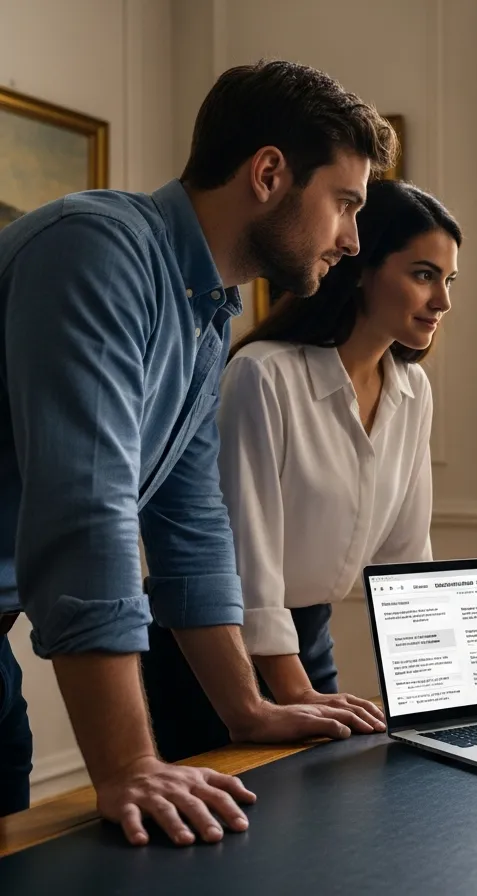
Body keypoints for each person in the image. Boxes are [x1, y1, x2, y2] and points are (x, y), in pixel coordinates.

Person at [0, 60, 398, 846]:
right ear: (269, 173)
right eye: (344, 204)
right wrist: (127, 765)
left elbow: (190, 523)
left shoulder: (206, 313)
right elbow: (87, 513)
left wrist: (246, 707)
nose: (351, 240)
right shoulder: (97, 252)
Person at [141, 179, 460, 760]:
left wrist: (437, 701)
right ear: (361, 268)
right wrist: (291, 692)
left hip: (306, 641)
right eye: (423, 274)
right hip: (214, 653)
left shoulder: (413, 389)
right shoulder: (263, 375)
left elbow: (405, 558)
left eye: (448, 280)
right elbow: (247, 554)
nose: (442, 300)